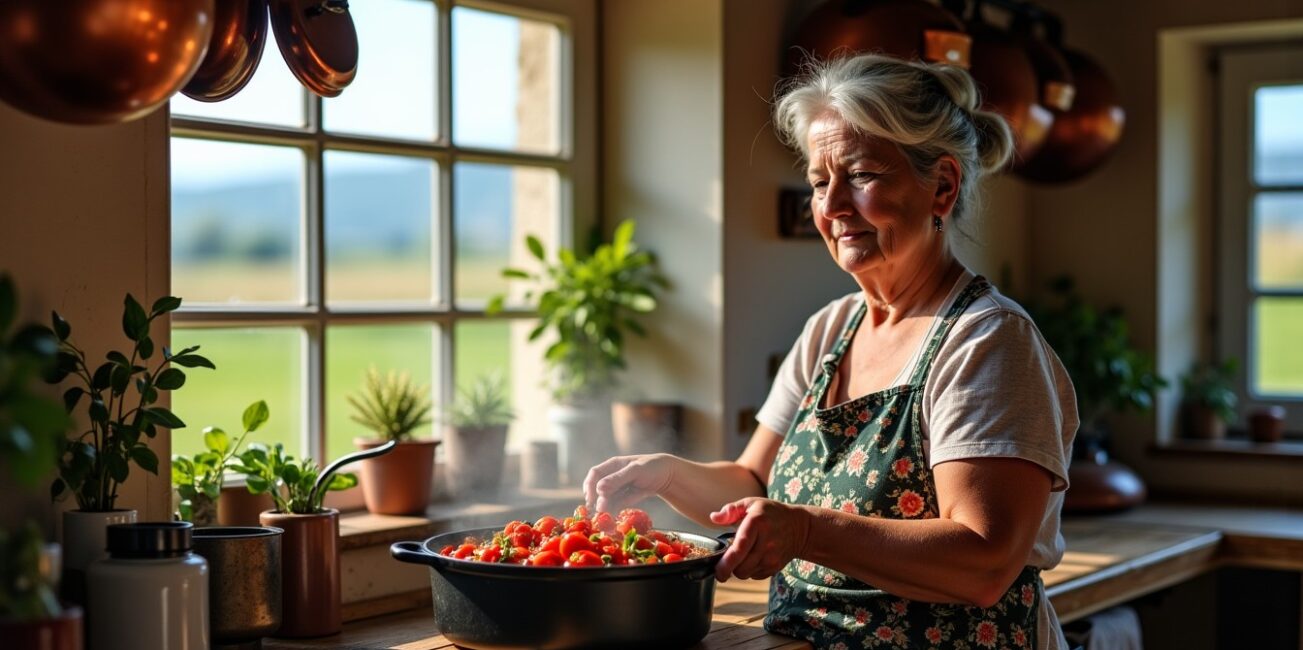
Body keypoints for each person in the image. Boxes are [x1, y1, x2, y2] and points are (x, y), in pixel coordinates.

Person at [583, 53, 1078, 650]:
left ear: (941, 186)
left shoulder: (988, 342)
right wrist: (665, 474)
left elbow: (984, 561)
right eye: (820, 181)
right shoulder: (831, 329)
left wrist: (806, 532)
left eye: (863, 175)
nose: (833, 205)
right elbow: (751, 480)